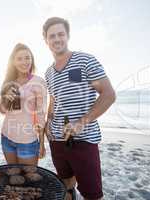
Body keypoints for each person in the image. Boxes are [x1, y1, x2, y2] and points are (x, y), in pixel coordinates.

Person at [43, 17, 116, 200]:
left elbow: (108, 94)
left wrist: (81, 123)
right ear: (46, 40)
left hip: (83, 140)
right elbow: (53, 100)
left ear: (68, 36)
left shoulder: (85, 60)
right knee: (66, 185)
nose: (57, 39)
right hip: (57, 140)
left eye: (61, 34)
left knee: (92, 194)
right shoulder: (48, 72)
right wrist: (47, 123)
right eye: (52, 36)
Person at [0, 43, 47, 166]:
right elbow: (3, 110)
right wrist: (5, 99)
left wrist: (41, 143)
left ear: (32, 60)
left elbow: (41, 115)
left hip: (27, 140)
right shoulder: (8, 82)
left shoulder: (39, 82)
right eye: (19, 59)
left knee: (29, 179)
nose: (24, 62)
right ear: (13, 62)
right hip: (6, 137)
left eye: (27, 58)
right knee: (13, 175)